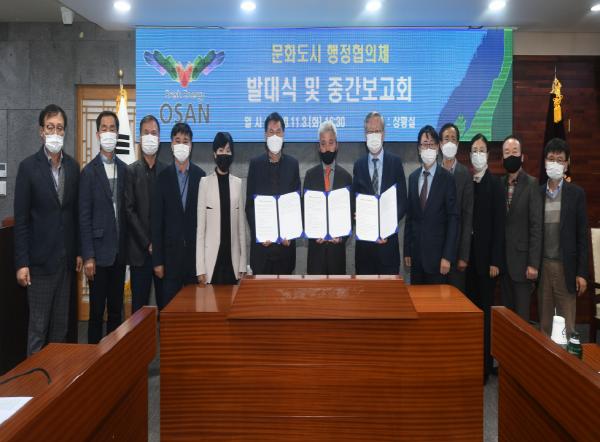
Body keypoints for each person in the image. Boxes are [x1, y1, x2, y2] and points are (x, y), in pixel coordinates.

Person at [14, 104, 82, 355]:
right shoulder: (27, 168)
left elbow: (74, 214)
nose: (55, 132)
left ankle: (57, 379)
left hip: (65, 264)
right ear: (41, 131)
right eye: (50, 127)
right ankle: (35, 380)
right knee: (38, 330)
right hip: (39, 265)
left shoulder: (73, 167)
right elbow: (22, 220)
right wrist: (22, 263)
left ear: (65, 132)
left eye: (60, 128)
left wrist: (78, 251)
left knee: (60, 331)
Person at [79, 110, 128, 344]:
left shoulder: (125, 169)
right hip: (97, 256)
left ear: (117, 134)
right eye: (104, 128)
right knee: (97, 313)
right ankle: (93, 358)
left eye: (113, 128)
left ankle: (113, 358)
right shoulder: (88, 172)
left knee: (117, 312)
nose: (109, 133)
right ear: (98, 134)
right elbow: (84, 217)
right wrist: (88, 256)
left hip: (119, 253)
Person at [538, 138, 588, 337]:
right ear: (545, 162)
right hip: (543, 266)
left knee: (567, 325)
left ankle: (567, 356)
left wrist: (582, 273)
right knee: (544, 323)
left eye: (560, 160)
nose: (555, 163)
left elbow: (582, 237)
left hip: (566, 267)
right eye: (551, 159)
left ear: (567, 164)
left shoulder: (576, 194)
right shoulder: (537, 193)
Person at [465, 133, 505, 383]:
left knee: (485, 316)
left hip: (487, 263)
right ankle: (471, 364)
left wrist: (495, 261)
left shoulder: (496, 185)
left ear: (488, 155)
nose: (478, 155)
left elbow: (500, 226)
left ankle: (484, 368)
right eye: (474, 151)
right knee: (471, 316)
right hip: (467, 262)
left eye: (481, 150)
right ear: (470, 156)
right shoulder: (468, 183)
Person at [152, 123, 206, 307]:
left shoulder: (201, 176)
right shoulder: (162, 177)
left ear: (191, 146)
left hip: (194, 261)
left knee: (193, 311)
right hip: (169, 261)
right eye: (177, 141)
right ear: (171, 145)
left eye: (186, 141)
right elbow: (156, 222)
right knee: (168, 312)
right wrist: (157, 261)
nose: (181, 145)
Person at [352, 112, 407, 275]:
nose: (374, 135)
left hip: (388, 248)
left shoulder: (395, 163)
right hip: (364, 251)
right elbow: (354, 200)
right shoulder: (359, 165)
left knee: (389, 292)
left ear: (384, 134)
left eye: (377, 131)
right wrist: (356, 214)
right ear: (365, 135)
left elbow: (402, 202)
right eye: (370, 131)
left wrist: (386, 226)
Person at [245, 112, 300, 275]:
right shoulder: (255, 165)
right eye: (271, 132)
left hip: (285, 249)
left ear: (283, 135)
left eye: (278, 132)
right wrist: (260, 234)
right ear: (265, 135)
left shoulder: (293, 165)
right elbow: (249, 206)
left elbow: (297, 204)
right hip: (262, 250)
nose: (275, 136)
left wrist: (291, 234)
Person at [404, 125, 458, 284]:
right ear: (419, 149)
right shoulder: (413, 178)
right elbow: (410, 217)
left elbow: (453, 219)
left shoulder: (447, 179)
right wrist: (407, 251)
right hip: (416, 258)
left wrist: (447, 256)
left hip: (438, 260)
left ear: (438, 147)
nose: (428, 148)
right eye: (424, 144)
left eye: (432, 144)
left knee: (436, 300)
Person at [125, 115, 167, 312]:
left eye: (154, 133)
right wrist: (148, 243)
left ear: (159, 138)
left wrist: (158, 244)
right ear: (139, 138)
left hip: (163, 254)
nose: (150, 137)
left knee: (165, 307)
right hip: (139, 253)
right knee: (139, 311)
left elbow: (169, 213)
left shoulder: (167, 172)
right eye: (146, 133)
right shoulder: (130, 171)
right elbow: (129, 210)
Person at [500, 135, 543, 322]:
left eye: (514, 152)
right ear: (502, 158)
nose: (511, 156)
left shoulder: (532, 184)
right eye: (507, 152)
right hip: (504, 265)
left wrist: (533, 264)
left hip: (524, 265)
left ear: (522, 156)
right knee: (506, 319)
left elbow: (536, 226)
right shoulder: (499, 184)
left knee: (522, 320)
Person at [196, 132, 247, 284]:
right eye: (221, 150)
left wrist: (243, 263)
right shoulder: (204, 183)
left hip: (232, 261)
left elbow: (241, 229)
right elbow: (200, 230)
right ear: (214, 154)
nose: (224, 154)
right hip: (211, 262)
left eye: (228, 151)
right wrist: (200, 268)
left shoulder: (238, 183)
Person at [303, 121, 353, 275]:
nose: (327, 148)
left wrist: (342, 237)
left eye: (331, 143)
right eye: (323, 144)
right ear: (319, 147)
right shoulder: (310, 176)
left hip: (337, 255)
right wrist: (312, 234)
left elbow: (351, 214)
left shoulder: (346, 177)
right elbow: (305, 212)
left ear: (337, 145)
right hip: (315, 255)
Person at [439, 123, 473, 293]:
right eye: (446, 139)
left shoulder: (465, 174)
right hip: (436, 250)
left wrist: (464, 256)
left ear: (458, 144)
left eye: (453, 139)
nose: (450, 142)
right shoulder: (433, 172)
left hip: (457, 251)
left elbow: (467, 217)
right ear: (440, 144)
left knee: (455, 299)